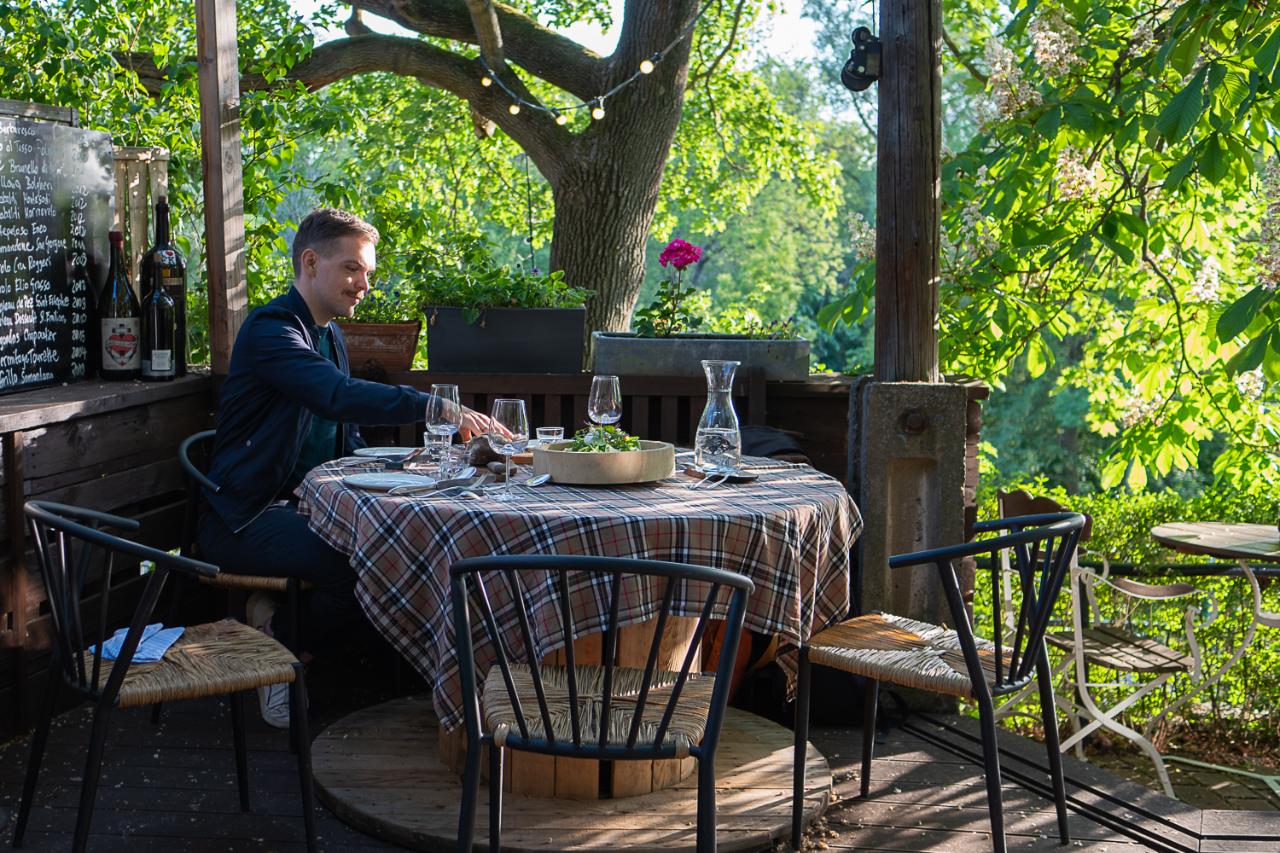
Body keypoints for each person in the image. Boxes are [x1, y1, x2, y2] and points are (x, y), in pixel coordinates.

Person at [198, 208, 491, 727]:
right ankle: (280, 653)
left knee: (399, 550)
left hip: (310, 506)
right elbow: (334, 395)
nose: (364, 286)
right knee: (366, 565)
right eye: (353, 269)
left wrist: (405, 462)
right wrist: (436, 408)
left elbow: (341, 436)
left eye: (369, 274)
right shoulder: (272, 330)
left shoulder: (329, 334)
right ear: (311, 263)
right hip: (246, 515)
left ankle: (287, 632)